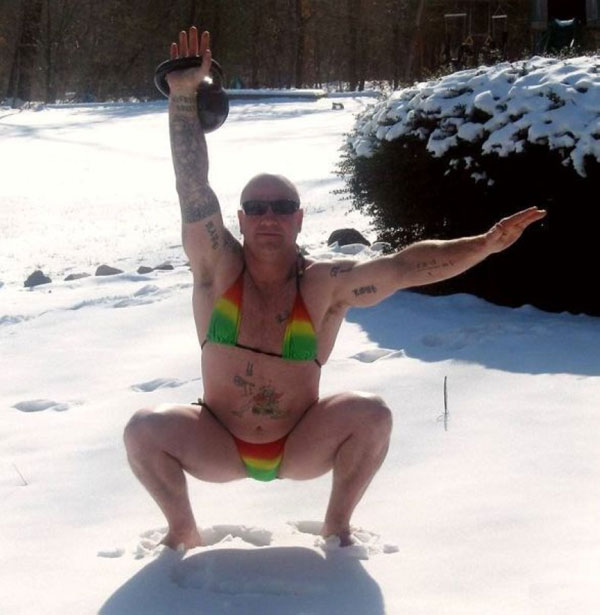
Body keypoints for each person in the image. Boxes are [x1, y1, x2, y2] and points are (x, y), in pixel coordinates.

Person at [123, 27, 546, 551]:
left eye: (282, 207)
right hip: (217, 442)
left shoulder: (324, 284)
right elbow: (192, 188)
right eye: (257, 208)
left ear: (299, 218)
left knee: (373, 414)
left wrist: (484, 245)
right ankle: (182, 530)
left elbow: (405, 267)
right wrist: (184, 97)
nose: (269, 217)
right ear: (242, 218)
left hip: (301, 443)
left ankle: (337, 527)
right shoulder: (217, 269)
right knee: (143, 429)